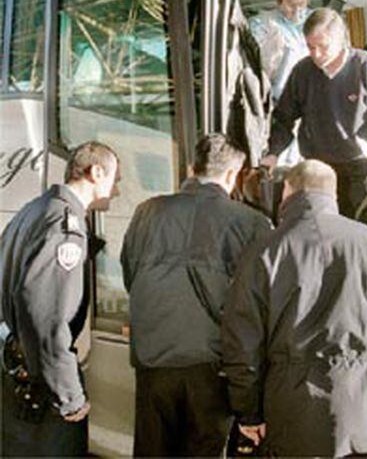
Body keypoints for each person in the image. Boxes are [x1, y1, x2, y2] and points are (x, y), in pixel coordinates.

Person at [222, 159, 367, 459]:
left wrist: (249, 413)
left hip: (295, 411)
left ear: (287, 192)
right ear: (333, 195)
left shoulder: (263, 253)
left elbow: (242, 343)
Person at [120, 133, 273, 458]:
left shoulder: (146, 211)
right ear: (233, 175)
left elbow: (129, 276)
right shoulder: (250, 222)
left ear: (192, 168)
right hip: (211, 367)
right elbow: (259, 304)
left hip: (152, 361)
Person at [0, 141, 120, 457]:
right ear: (96, 172)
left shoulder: (34, 210)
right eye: (115, 179)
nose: (117, 189)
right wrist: (69, 395)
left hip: (17, 366)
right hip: (42, 383)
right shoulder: (65, 224)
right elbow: (46, 316)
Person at [262, 7, 367, 218]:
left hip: (360, 166)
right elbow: (284, 118)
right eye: (310, 47)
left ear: (342, 40)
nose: (316, 54)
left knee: (361, 225)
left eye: (323, 47)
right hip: (318, 168)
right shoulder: (303, 71)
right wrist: (272, 153)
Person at [250, 0, 310, 102]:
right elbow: (256, 62)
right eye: (291, 4)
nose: (297, 10)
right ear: (279, 2)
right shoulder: (262, 24)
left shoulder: (314, 22)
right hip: (276, 97)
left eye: (302, 4)